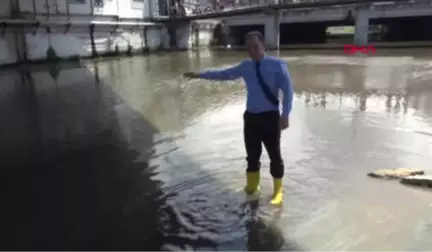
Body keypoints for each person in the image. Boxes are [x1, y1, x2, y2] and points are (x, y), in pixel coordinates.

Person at [183, 31, 294, 205]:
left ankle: (278, 191)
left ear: (264, 45)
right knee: (252, 156)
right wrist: (200, 75)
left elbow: (288, 92)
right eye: (249, 48)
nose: (252, 51)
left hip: (270, 118)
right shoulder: (245, 66)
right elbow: (224, 75)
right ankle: (252, 187)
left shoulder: (278, 65)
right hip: (251, 119)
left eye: (255, 46)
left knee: (275, 155)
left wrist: (285, 114)